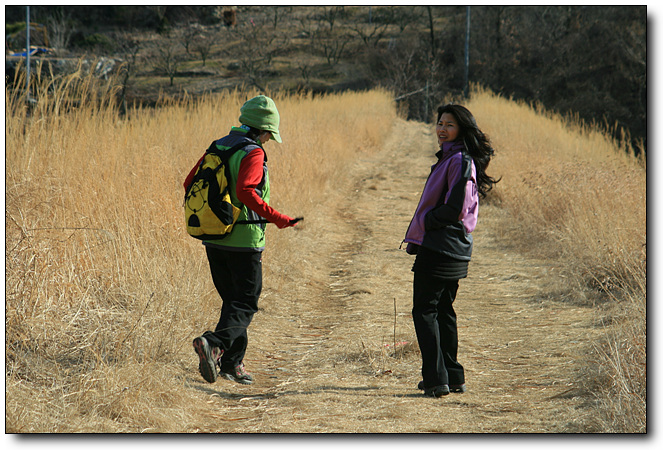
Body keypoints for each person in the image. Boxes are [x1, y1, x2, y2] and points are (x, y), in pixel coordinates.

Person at [186, 95, 298, 385]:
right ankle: (212, 343)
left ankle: (231, 365)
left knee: (232, 303)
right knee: (246, 302)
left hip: (214, 236)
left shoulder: (220, 145)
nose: (269, 140)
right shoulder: (253, 152)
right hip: (244, 239)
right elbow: (247, 191)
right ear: (263, 131)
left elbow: (189, 182)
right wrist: (278, 218)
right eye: (269, 135)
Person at [402, 103, 499, 398]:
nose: (442, 129)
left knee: (425, 311)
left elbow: (454, 208)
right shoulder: (456, 158)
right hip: (454, 247)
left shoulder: (458, 160)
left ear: (462, 130)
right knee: (443, 310)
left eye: (450, 125)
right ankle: (453, 376)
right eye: (440, 123)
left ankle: (435, 379)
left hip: (441, 246)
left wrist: (429, 221)